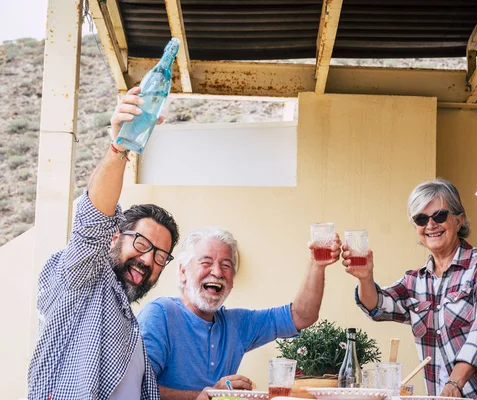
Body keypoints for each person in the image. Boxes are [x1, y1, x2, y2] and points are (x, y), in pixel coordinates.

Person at [27, 87, 179, 400]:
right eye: (141, 243)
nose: (149, 260)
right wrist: (120, 148)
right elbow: (92, 221)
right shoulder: (81, 281)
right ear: (114, 236)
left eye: (161, 256)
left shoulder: (129, 327)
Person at [344, 179, 477, 399]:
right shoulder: (414, 281)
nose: (431, 225)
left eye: (440, 216)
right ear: (416, 228)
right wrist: (365, 278)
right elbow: (377, 307)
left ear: (459, 220)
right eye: (421, 219)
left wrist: (454, 384)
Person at [137, 227, 342, 400]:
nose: (217, 272)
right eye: (206, 263)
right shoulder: (161, 314)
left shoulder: (237, 323)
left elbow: (301, 316)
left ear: (233, 279)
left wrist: (317, 265)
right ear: (183, 271)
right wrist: (205, 395)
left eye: (226, 265)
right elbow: (137, 388)